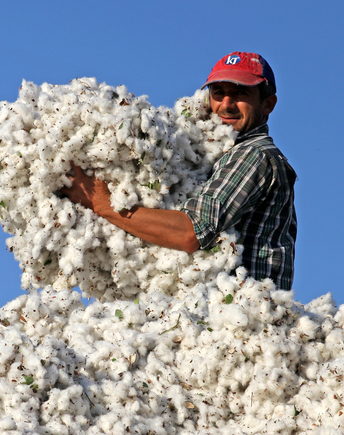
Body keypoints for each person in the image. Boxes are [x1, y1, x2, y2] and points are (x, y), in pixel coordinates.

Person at [61, 52, 297, 289]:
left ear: (268, 104)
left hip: (242, 316)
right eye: (218, 93)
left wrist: (101, 202)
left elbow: (190, 233)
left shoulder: (253, 155)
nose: (226, 104)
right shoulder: (214, 157)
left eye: (240, 93)